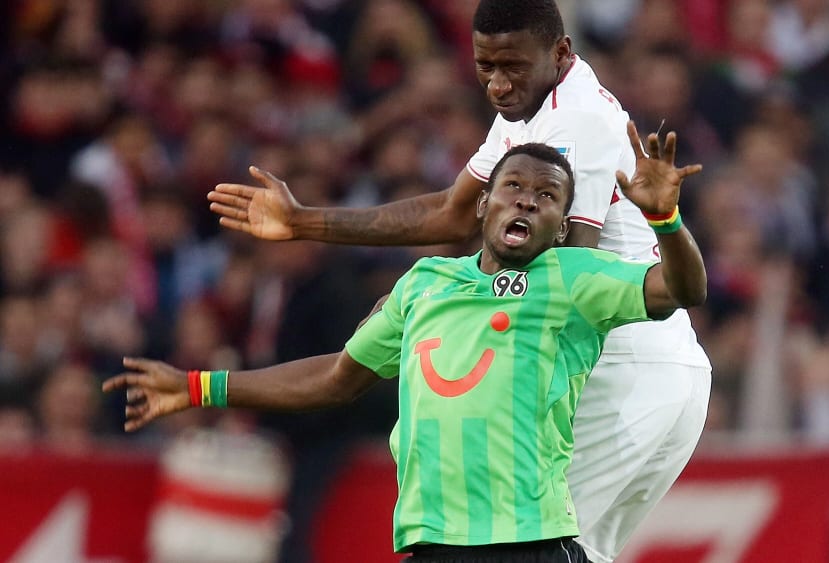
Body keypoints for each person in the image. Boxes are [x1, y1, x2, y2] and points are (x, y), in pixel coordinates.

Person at [207, 1, 712, 561]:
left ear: (560, 52)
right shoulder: (530, 104)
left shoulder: (577, 122)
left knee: (529, 547)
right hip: (656, 369)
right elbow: (453, 213)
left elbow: (563, 267)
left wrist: (439, 297)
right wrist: (305, 222)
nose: (497, 85)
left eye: (511, 67)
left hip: (626, 370)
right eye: (485, 66)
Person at [106, 123, 703, 562]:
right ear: (484, 204)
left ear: (562, 224)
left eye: (547, 196)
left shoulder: (575, 278)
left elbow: (682, 288)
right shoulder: (424, 284)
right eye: (513, 185)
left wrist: (666, 221)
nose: (526, 198)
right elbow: (336, 376)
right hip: (431, 541)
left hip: (530, 542)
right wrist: (199, 387)